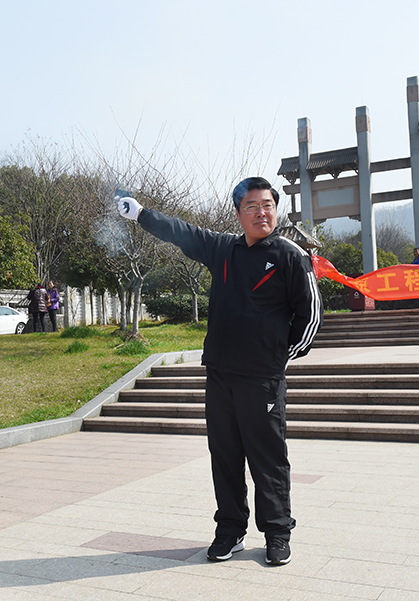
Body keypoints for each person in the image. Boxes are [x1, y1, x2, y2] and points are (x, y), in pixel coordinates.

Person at [117, 177, 323, 566]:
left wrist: (277, 358)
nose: (261, 213)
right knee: (224, 455)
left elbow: (310, 316)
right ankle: (230, 530)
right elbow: (182, 232)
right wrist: (141, 214)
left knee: (267, 458)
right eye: (252, 206)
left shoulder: (290, 255)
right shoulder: (223, 249)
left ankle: (277, 533)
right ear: (238, 213)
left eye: (267, 205)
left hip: (261, 379)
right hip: (220, 375)